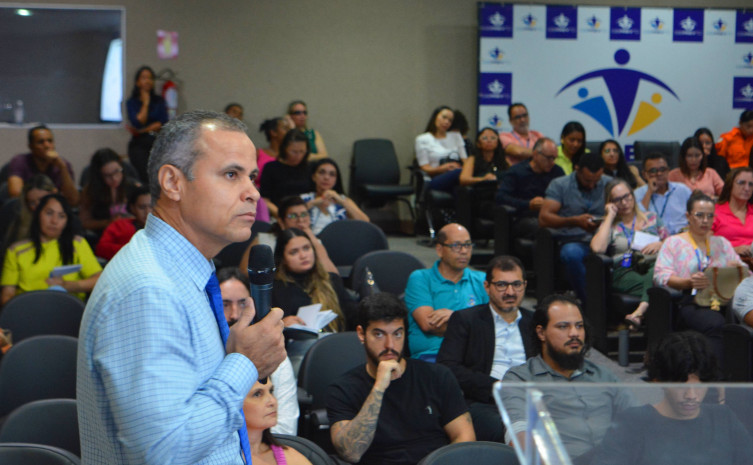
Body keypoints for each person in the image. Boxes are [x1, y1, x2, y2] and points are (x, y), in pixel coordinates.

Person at [77, 110, 287, 464]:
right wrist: (244, 363)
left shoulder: (182, 271)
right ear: (173, 183)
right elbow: (164, 452)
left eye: (252, 177)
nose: (253, 193)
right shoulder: (148, 290)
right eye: (231, 174)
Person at [326, 293, 475, 465]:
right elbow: (351, 452)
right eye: (379, 335)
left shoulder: (437, 376)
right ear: (361, 334)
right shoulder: (343, 389)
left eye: (397, 334)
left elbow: (465, 437)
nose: (390, 345)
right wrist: (379, 388)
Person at [501, 294, 635, 463]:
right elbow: (520, 438)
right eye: (563, 327)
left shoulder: (603, 375)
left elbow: (639, 422)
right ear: (541, 333)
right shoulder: (520, 379)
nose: (574, 334)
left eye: (579, 326)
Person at [590, 331, 753, 465]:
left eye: (699, 386)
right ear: (660, 381)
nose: (691, 396)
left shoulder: (723, 418)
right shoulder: (633, 423)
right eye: (681, 386)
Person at [437, 255, 536, 442]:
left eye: (516, 284)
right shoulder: (466, 320)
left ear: (525, 285)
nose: (510, 292)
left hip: (532, 399)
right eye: (501, 285)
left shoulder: (536, 322)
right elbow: (448, 366)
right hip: (486, 402)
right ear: (487, 287)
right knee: (509, 430)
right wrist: (497, 387)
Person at [653, 191, 746, 362]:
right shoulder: (674, 243)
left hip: (724, 299)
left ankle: (739, 371)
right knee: (716, 323)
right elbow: (661, 276)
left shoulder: (722, 243)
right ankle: (714, 373)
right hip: (691, 301)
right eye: (699, 215)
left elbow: (746, 273)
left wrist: (737, 269)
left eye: (710, 216)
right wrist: (687, 282)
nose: (705, 221)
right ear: (688, 216)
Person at [217, 267, 298, 435]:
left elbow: (286, 429)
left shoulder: (274, 355)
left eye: (242, 304)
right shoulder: (204, 357)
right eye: (224, 305)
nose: (234, 315)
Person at [590, 179, 668, 329]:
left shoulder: (651, 218)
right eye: (617, 200)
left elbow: (671, 244)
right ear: (610, 203)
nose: (624, 203)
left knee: (657, 272)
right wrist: (610, 216)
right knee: (661, 286)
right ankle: (643, 315)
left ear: (633, 195)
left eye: (626, 196)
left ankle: (640, 312)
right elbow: (597, 249)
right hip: (624, 270)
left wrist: (660, 244)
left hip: (652, 265)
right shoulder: (611, 225)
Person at [404, 223, 487, 361]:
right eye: (456, 245)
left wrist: (454, 316)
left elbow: (494, 324)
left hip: (472, 356)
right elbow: (429, 324)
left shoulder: (482, 280)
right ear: (440, 250)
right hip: (432, 355)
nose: (464, 251)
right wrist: (474, 325)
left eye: (468, 245)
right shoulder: (420, 278)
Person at [1, 194, 101, 306]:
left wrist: (67, 285)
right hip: (28, 309)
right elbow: (7, 296)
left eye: (61, 216)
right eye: (49, 213)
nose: (54, 221)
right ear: (38, 214)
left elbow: (99, 280)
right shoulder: (16, 250)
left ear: (67, 221)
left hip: (67, 308)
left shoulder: (77, 244)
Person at [539, 152, 612, 302]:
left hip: (605, 239)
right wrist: (573, 221)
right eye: (587, 180)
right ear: (577, 169)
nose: (591, 185)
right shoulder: (560, 185)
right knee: (571, 253)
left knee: (627, 252)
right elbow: (544, 218)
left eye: (596, 181)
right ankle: (591, 303)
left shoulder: (610, 184)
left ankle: (615, 302)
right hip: (574, 239)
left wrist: (606, 220)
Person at [272, 228, 354, 331]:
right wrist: (281, 325)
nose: (303, 256)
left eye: (306, 248)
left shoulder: (331, 280)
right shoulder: (275, 288)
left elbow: (353, 315)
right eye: (294, 252)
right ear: (283, 259)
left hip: (335, 338)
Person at [239, 196, 337, 276]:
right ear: (281, 222)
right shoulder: (265, 240)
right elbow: (245, 271)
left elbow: (333, 275)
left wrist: (312, 238)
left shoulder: (315, 242)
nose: (300, 220)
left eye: (304, 214)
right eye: (293, 216)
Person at [496, 137, 564, 238]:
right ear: (535, 154)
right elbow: (501, 197)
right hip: (525, 216)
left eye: (554, 158)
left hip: (552, 214)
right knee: (544, 227)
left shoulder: (557, 172)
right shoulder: (517, 171)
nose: (552, 162)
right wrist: (528, 204)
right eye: (549, 158)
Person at [243, 380, 313, 465]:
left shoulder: (291, 457)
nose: (273, 401)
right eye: (257, 394)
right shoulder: (229, 458)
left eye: (271, 391)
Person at [6, 125, 78, 206]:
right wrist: (47, 196)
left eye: (50, 141)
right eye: (41, 142)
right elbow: (15, 194)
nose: (47, 146)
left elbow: (73, 201)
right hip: (28, 209)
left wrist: (63, 168)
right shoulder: (20, 161)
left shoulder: (62, 164)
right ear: (31, 146)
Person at [300, 158, 369, 234]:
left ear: (336, 180)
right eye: (322, 172)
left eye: (332, 174)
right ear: (313, 177)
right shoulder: (304, 198)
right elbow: (292, 216)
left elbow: (366, 223)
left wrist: (342, 202)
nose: (326, 177)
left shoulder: (344, 200)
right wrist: (314, 202)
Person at [79, 148, 139, 235]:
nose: (114, 178)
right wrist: (108, 222)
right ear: (99, 176)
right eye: (107, 175)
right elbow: (84, 222)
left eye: (117, 171)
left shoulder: (133, 186)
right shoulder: (90, 191)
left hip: (133, 233)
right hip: (105, 235)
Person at [125, 65, 168, 183]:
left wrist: (142, 131)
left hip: (156, 140)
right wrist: (146, 103)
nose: (148, 81)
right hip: (139, 143)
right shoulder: (132, 102)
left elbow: (161, 123)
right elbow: (138, 122)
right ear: (137, 82)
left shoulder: (159, 101)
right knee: (143, 175)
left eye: (150, 78)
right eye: (144, 78)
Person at [634, 152, 693, 235]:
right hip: (653, 239)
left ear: (668, 171)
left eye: (663, 169)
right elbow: (638, 220)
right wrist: (649, 192)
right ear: (644, 175)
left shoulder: (682, 190)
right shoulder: (637, 194)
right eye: (653, 171)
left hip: (682, 236)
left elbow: (695, 214)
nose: (659, 174)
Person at [260, 128, 312, 219]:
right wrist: (284, 216)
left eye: (302, 151)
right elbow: (265, 199)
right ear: (284, 149)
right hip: (278, 215)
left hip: (305, 215)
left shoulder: (310, 168)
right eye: (294, 152)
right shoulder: (271, 168)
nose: (298, 156)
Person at [415, 106, 468, 193]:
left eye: (450, 120)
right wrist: (442, 168)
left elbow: (465, 161)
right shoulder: (422, 139)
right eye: (444, 117)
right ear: (435, 117)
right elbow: (425, 168)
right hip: (436, 178)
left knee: (461, 189)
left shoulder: (456, 136)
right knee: (459, 174)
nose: (446, 122)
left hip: (457, 177)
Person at [95, 186, 152, 260]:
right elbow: (101, 248)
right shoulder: (118, 226)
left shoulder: (165, 227)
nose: (147, 212)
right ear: (132, 208)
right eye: (142, 207)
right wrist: (130, 250)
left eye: (151, 207)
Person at [3, 174, 57, 246]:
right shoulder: (17, 220)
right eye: (32, 203)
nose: (38, 206)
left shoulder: (67, 220)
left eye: (42, 200)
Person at [713, 167, 753, 260]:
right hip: (725, 261)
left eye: (751, 184)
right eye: (741, 183)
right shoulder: (715, 212)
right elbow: (704, 245)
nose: (747, 188)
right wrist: (733, 250)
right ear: (730, 185)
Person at [256, 117, 292, 187]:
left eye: (289, 129)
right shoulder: (258, 154)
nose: (289, 132)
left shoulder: (291, 155)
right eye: (285, 128)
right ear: (273, 132)